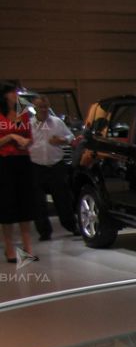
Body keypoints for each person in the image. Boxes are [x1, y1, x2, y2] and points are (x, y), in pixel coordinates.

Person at [0, 84, 38, 263]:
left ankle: (27, 248)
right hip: (4, 162)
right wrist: (11, 137)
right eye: (13, 92)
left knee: (25, 204)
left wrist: (26, 142)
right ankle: (9, 248)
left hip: (23, 161)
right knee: (7, 205)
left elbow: (30, 137)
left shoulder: (23, 114)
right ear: (4, 95)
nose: (16, 95)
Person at [28, 95, 75, 238]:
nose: (44, 110)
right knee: (38, 202)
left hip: (56, 165)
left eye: (46, 107)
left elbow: (71, 137)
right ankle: (44, 232)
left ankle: (71, 226)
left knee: (63, 198)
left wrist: (62, 140)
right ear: (35, 108)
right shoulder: (28, 125)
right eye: (40, 107)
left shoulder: (57, 122)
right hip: (36, 166)